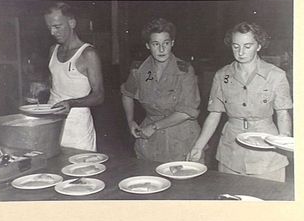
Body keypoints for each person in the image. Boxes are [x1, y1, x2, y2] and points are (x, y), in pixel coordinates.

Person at [188, 22, 292, 182]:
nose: (241, 52)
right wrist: (198, 146)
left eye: (247, 46)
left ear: (259, 46)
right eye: (236, 46)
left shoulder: (276, 75)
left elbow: (283, 113)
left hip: (267, 152)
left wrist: (283, 139)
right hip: (231, 151)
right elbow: (214, 114)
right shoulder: (222, 75)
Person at [121, 18, 201, 162]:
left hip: (181, 139)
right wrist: (130, 121)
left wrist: (154, 126)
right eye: (156, 44)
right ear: (147, 45)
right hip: (150, 140)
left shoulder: (184, 70)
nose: (162, 49)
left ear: (172, 43)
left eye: (166, 43)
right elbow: (127, 94)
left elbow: (186, 112)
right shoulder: (139, 70)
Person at [43, 2, 104, 151]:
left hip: (78, 129)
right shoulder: (53, 50)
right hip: (52, 124)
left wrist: (71, 103)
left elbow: (99, 96)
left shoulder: (88, 54)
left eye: (57, 26)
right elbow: (58, 82)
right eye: (49, 27)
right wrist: (42, 86)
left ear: (72, 23)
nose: (52, 32)